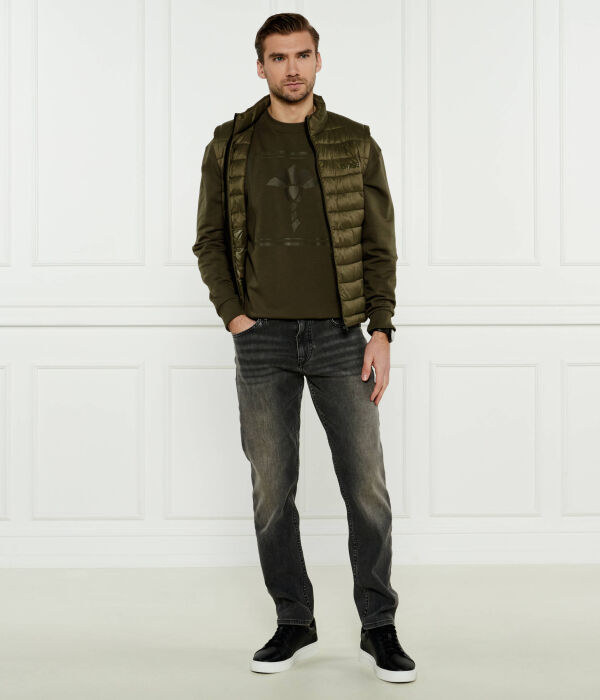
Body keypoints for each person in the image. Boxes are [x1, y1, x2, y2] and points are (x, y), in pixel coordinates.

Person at [192, 12, 416, 684]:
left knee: (366, 488)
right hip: (261, 340)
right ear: (259, 65)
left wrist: (381, 330)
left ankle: (378, 625)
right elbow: (209, 240)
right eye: (278, 57)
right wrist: (234, 316)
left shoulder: (354, 143)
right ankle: (294, 620)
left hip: (340, 336)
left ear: (319, 61)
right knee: (272, 490)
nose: (292, 68)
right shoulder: (229, 144)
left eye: (302, 55)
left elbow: (378, 244)